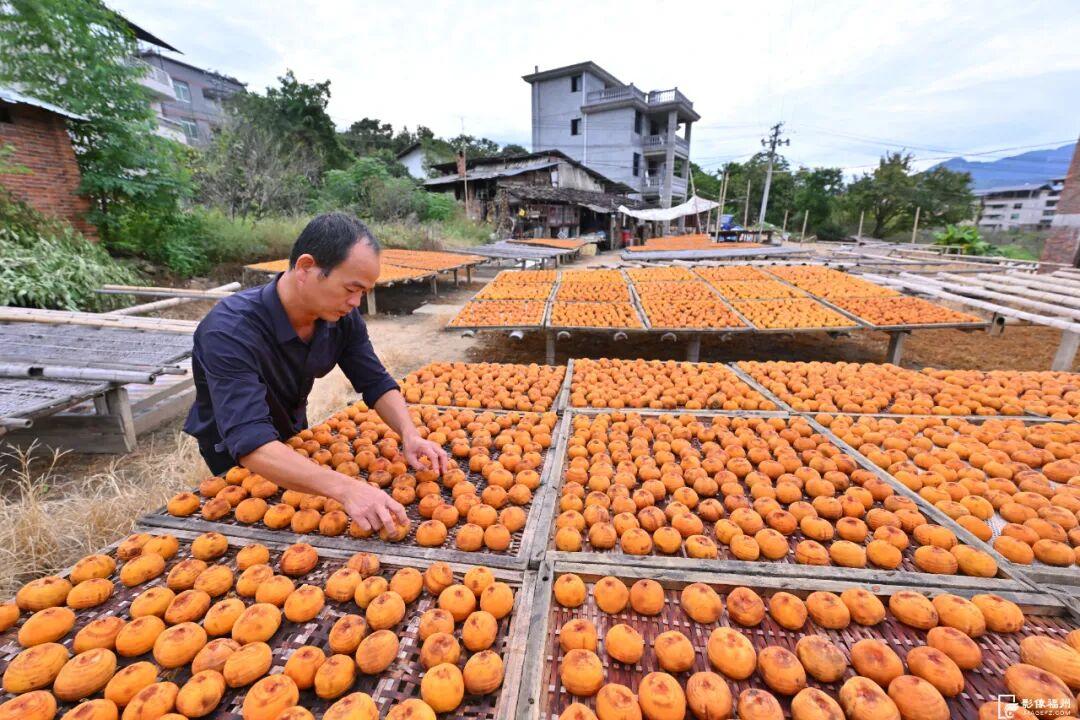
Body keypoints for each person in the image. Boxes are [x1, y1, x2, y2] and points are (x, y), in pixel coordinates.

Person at [183, 212, 449, 533]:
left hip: (291, 436)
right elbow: (249, 441)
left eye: (363, 291)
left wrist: (409, 434)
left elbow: (375, 381)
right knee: (258, 527)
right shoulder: (229, 329)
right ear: (306, 267)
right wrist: (347, 488)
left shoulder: (339, 319)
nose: (356, 302)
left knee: (303, 518)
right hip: (236, 450)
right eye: (351, 288)